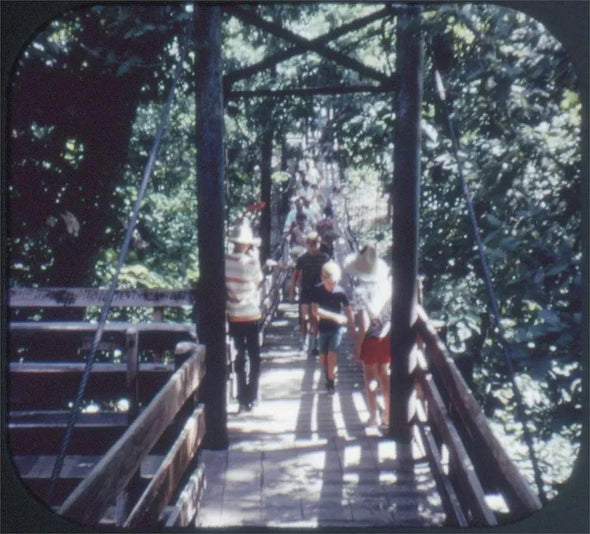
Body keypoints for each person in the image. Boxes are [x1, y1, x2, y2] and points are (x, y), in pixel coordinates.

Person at [345, 245, 392, 427]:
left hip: (370, 339)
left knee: (370, 378)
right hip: (387, 336)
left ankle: (374, 416)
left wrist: (358, 345)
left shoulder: (360, 292)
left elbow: (363, 322)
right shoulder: (388, 288)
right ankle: (388, 414)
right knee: (384, 375)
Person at [225, 221, 263, 413]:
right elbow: (258, 280)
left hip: (234, 316)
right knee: (255, 357)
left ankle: (241, 400)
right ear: (247, 244)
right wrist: (254, 257)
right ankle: (253, 398)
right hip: (252, 314)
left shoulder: (225, 261)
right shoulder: (252, 262)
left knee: (239, 357)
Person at [311, 261, 356, 393]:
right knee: (323, 358)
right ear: (322, 279)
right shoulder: (317, 290)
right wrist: (335, 316)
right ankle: (328, 376)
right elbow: (315, 310)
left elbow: (348, 310)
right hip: (323, 328)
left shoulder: (340, 292)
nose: (332, 285)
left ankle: (331, 383)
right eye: (330, 282)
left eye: (335, 282)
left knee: (332, 355)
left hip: (336, 329)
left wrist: (352, 326)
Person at [289, 232, 329, 354]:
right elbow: (295, 276)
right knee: (305, 316)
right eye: (310, 244)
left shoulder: (324, 258)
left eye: (316, 244)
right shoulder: (302, 259)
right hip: (305, 290)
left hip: (319, 291)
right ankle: (304, 340)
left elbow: (329, 274)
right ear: (306, 244)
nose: (313, 247)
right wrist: (292, 291)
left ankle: (315, 341)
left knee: (315, 317)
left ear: (320, 244)